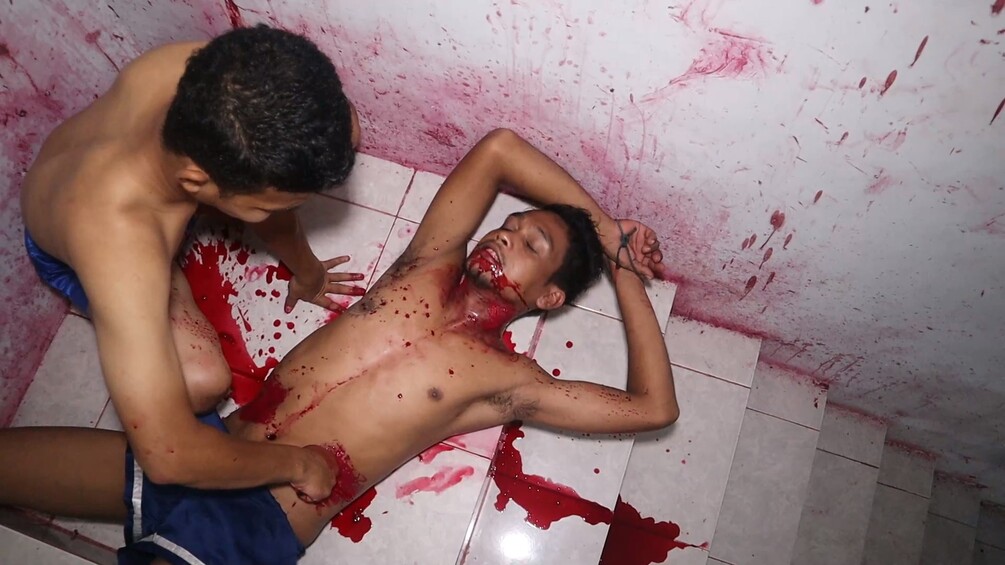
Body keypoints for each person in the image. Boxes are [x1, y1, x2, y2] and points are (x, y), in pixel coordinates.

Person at [1, 129, 679, 565]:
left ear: (548, 296)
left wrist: (620, 266)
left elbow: (652, 408)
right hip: (211, 447)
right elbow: (500, 148)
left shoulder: (507, 379)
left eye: (532, 244)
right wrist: (603, 225)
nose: (505, 235)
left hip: (258, 520)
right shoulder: (425, 267)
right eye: (510, 224)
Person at [18, 25, 362, 502]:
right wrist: (300, 464)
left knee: (316, 150)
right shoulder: (123, 251)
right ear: (197, 182)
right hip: (85, 241)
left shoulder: (217, 75)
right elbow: (169, 455)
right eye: (267, 206)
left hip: (110, 174)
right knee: (203, 383)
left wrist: (310, 273)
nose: (283, 213)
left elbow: (329, 131)